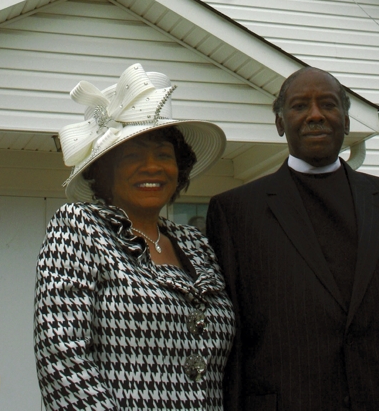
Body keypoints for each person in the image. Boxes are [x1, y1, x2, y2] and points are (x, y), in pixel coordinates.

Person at [206, 66, 379, 411]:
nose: (315, 115)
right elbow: (234, 340)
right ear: (280, 123)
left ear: (346, 121)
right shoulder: (235, 213)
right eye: (300, 106)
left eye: (328, 105)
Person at [34, 63, 235, 410]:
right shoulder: (80, 228)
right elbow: (61, 355)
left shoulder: (197, 245)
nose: (152, 167)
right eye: (132, 155)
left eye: (163, 154)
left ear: (180, 168)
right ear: (105, 170)